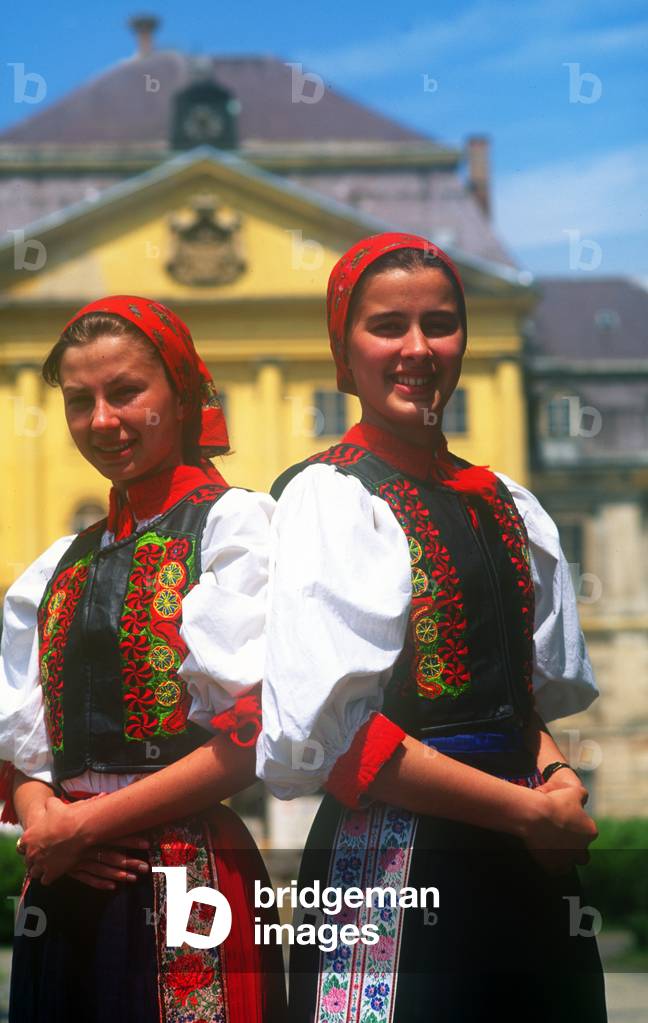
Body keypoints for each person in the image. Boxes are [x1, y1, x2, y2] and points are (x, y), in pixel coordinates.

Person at [257, 234, 607, 1021]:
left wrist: (555, 774)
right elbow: (338, 741)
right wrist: (527, 811)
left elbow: (514, 697)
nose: (417, 348)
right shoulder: (329, 497)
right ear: (344, 355)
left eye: (439, 324)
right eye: (387, 326)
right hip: (393, 859)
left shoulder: (505, 501)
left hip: (528, 849)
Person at [0, 296, 286, 1022]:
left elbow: (251, 735)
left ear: (182, 396)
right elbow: (23, 749)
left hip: (188, 874)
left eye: (126, 392)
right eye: (80, 401)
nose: (102, 420)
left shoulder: (234, 528)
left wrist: (87, 825)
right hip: (65, 879)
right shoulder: (57, 566)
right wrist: (45, 818)